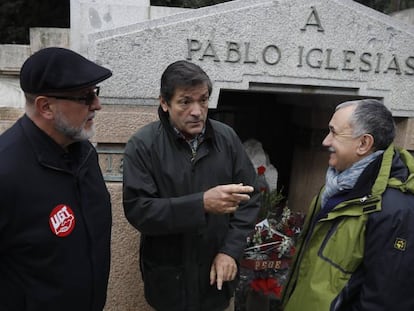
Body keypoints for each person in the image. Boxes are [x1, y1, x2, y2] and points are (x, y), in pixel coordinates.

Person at [122, 60, 260, 311]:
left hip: (215, 281)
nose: (197, 111)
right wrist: (201, 204)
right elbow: (139, 211)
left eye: (203, 100)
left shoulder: (226, 138)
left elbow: (251, 198)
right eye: (185, 102)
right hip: (169, 282)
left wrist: (230, 250)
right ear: (164, 103)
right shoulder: (142, 145)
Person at [0, 47, 113, 310]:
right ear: (46, 107)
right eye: (85, 97)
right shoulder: (6, 171)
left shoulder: (84, 154)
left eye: (96, 93)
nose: (97, 105)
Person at [283, 99, 414, 311]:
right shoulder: (337, 187)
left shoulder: (395, 209)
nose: (325, 141)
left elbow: (384, 301)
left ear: (363, 144)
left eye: (334, 133)